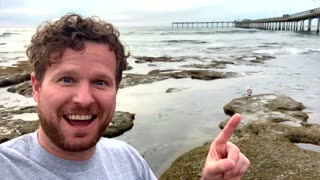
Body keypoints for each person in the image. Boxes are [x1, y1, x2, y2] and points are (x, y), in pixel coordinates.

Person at [0, 13, 249, 180]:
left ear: (116, 90)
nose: (84, 98)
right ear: (36, 87)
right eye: (67, 79)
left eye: (100, 82)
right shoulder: (8, 167)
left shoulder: (127, 160)